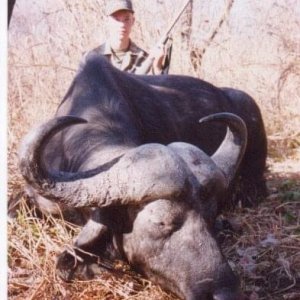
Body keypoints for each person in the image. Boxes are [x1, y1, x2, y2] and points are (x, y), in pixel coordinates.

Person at [79, 0, 170, 75]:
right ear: (107, 22)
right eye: (116, 19)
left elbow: (153, 92)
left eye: (126, 19)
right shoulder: (92, 58)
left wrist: (157, 67)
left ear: (133, 21)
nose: (122, 25)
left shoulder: (143, 58)